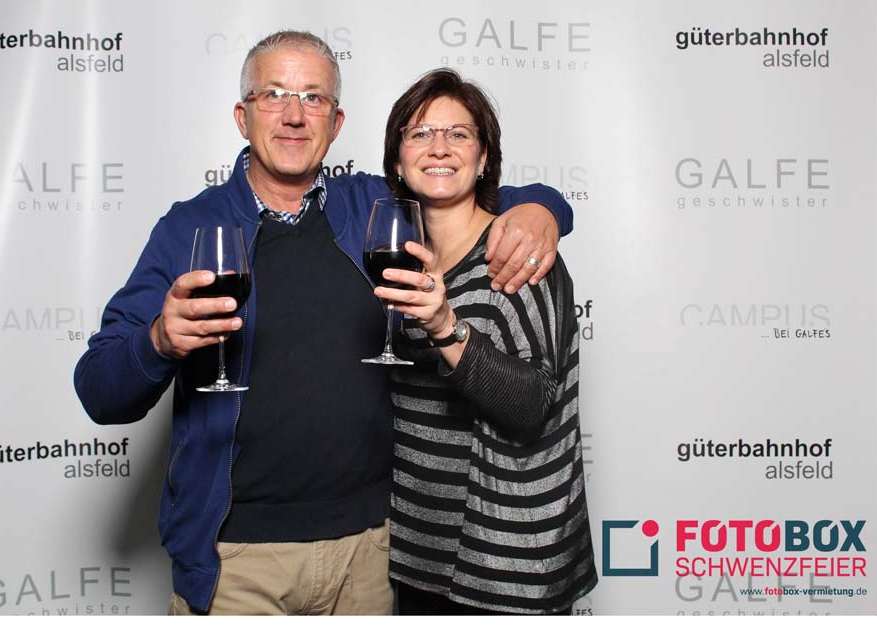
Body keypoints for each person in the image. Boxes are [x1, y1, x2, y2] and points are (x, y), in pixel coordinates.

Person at [73, 31, 574, 616]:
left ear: (336, 124)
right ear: (242, 116)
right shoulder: (189, 228)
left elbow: (453, 183)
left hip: (369, 554)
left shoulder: (370, 207)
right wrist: (158, 341)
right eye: (274, 95)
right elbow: (99, 390)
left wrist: (542, 207)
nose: (293, 115)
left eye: (313, 98)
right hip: (238, 561)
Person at [372, 68, 596, 615]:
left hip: (505, 563)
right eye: (420, 133)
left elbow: (530, 407)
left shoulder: (518, 255)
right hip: (418, 553)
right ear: (397, 161)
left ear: (484, 158)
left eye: (459, 134)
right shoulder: (401, 260)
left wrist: (445, 326)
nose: (439, 147)